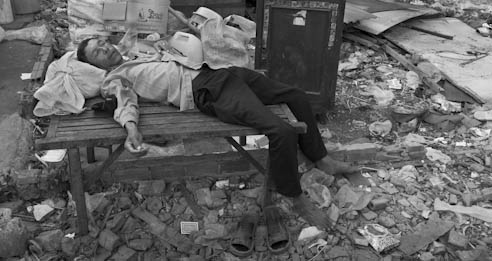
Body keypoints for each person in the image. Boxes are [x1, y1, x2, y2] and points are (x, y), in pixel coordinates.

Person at [76, 37, 356, 229]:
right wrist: (131, 128)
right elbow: (125, 101)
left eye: (103, 43)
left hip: (222, 74)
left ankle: (321, 158)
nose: (105, 48)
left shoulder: (137, 53)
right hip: (209, 92)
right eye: (98, 52)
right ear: (95, 65)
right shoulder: (115, 78)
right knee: (280, 130)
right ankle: (295, 197)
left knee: (296, 96)